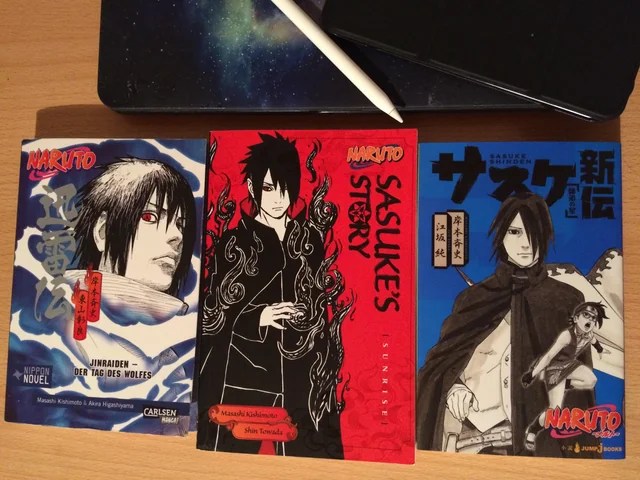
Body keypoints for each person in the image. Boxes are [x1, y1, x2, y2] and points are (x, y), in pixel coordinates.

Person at [416, 191, 598, 456]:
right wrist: (454, 387)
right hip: (470, 445)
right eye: (515, 232)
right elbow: (437, 368)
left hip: (538, 448)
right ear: (501, 235)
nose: (525, 243)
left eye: (533, 233)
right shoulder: (472, 300)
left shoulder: (567, 301)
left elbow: (581, 394)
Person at [198, 132, 344, 458]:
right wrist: (260, 316)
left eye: (285, 189)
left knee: (312, 458)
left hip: (301, 374)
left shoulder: (308, 240)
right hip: (246, 375)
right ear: (252, 188)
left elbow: (320, 308)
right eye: (268, 189)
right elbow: (215, 316)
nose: (278, 199)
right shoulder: (235, 243)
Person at [521, 301, 609, 450]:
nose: (589, 319)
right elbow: (549, 356)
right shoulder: (566, 336)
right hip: (555, 369)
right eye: (586, 315)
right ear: (576, 318)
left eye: (593, 318)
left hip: (569, 364)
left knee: (591, 380)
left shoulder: (589, 334)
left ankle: (565, 384)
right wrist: (531, 374)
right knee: (555, 412)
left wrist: (600, 349)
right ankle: (534, 429)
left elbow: (594, 340)